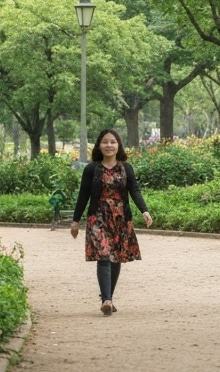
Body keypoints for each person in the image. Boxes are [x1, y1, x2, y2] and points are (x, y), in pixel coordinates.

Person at [70, 129, 152, 316]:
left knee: (116, 258)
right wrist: (75, 221)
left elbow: (135, 191)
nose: (109, 145)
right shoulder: (91, 169)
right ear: (99, 145)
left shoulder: (126, 168)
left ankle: (108, 299)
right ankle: (106, 299)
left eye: (113, 142)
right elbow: (83, 195)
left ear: (118, 145)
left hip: (120, 219)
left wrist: (144, 211)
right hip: (97, 218)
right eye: (105, 142)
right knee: (104, 256)